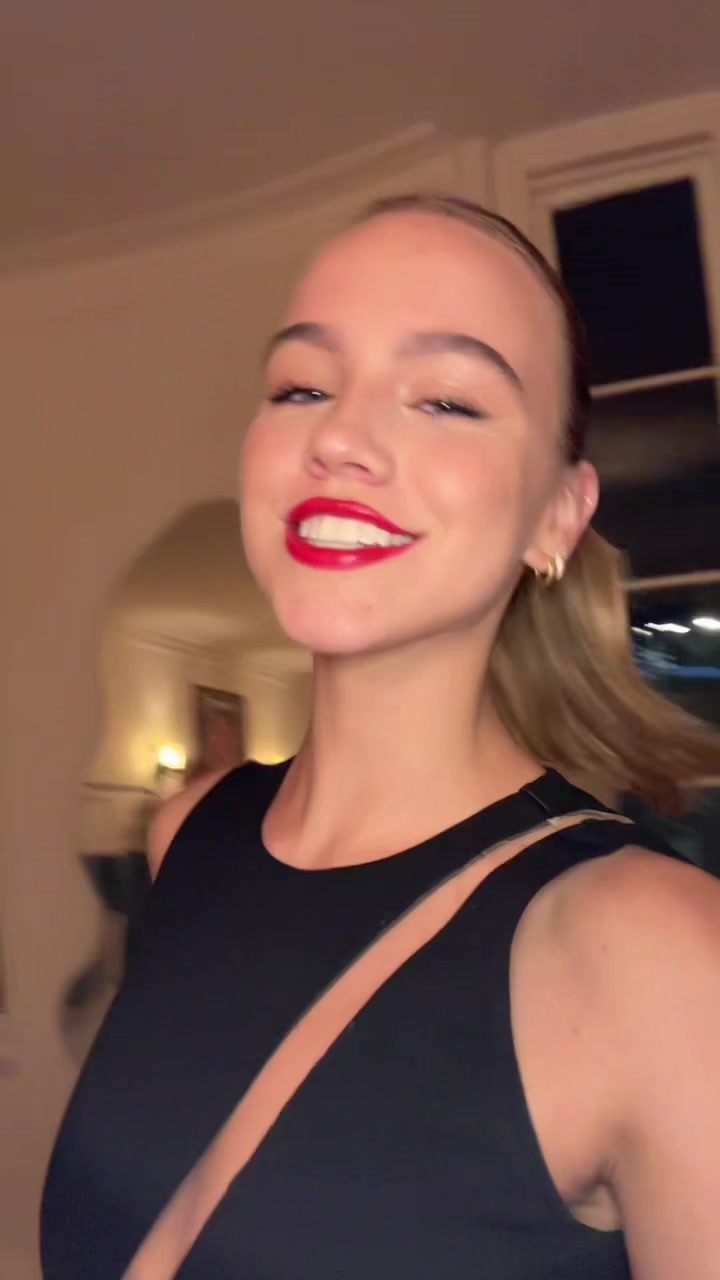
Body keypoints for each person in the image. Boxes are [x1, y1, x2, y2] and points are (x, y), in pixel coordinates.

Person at [41, 194, 720, 1279]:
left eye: (447, 399)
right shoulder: (188, 836)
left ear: (559, 513)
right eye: (302, 387)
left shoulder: (661, 957)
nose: (339, 439)